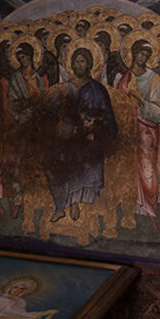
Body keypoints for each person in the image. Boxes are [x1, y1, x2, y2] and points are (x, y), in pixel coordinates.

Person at [44, 48, 119, 222]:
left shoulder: (97, 89)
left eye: (82, 61)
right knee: (51, 160)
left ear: (89, 64)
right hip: (65, 137)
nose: (79, 65)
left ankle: (73, 202)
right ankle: (61, 205)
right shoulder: (65, 88)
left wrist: (94, 124)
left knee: (80, 157)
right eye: (76, 61)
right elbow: (49, 112)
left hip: (88, 138)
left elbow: (108, 118)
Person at [116, 39, 160, 233]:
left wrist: (140, 99)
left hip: (146, 132)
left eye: (146, 55)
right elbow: (118, 105)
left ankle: (150, 213)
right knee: (127, 171)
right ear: (133, 53)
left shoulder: (153, 78)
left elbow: (159, 112)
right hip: (128, 131)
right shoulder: (125, 78)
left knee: (148, 172)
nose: (143, 57)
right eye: (140, 53)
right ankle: (129, 213)